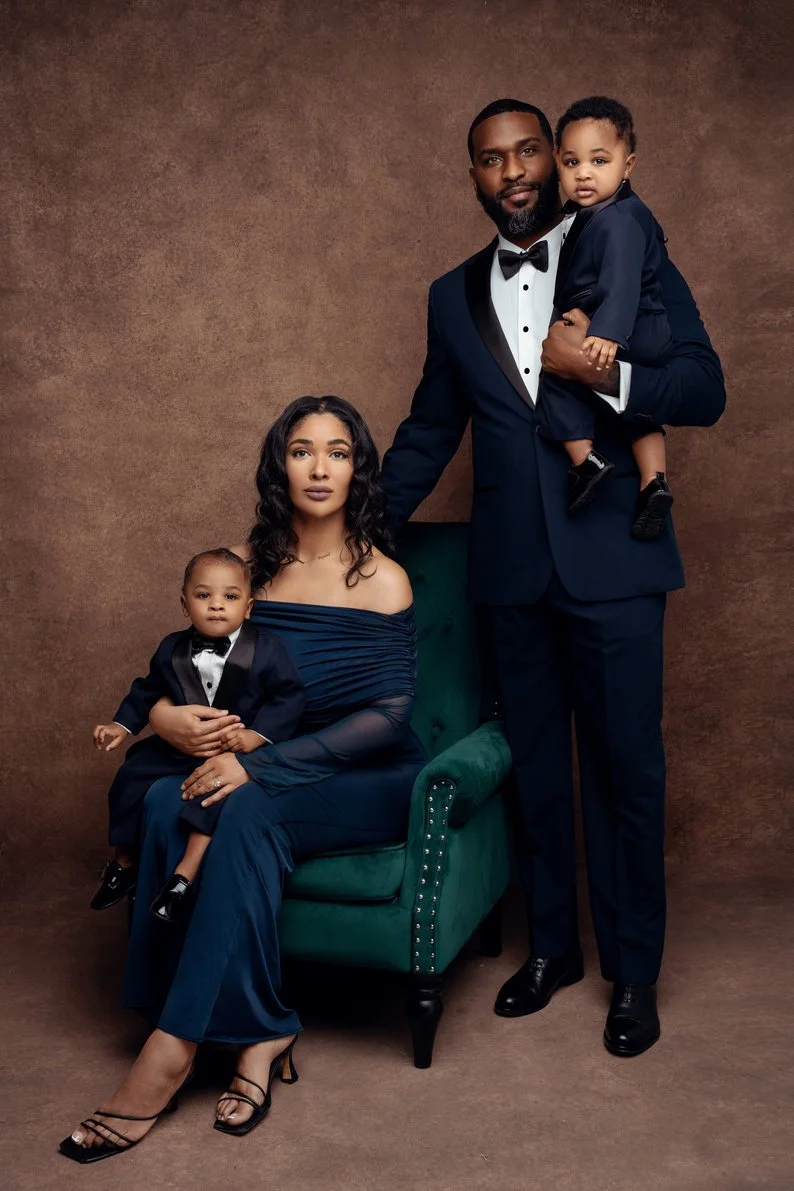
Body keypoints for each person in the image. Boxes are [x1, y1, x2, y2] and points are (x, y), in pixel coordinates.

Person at [379, 99, 725, 1058]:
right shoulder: (452, 296)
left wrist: (605, 375)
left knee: (627, 773)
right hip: (512, 572)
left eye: (529, 149)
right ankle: (554, 951)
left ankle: (633, 970)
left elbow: (704, 384)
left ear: (556, 157)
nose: (516, 170)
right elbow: (425, 435)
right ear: (477, 180)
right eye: (492, 160)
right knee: (535, 771)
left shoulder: (621, 241)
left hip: (616, 563)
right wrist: (346, 526)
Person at [60, 396, 426, 1162]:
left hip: (361, 772)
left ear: (358, 466)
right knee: (168, 795)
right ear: (279, 465)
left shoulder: (383, 577)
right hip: (252, 765)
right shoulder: (242, 567)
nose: (320, 467)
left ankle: (172, 1046)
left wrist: (255, 762)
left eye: (337, 450)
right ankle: (262, 1031)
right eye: (301, 450)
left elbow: (387, 719)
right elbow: (176, 671)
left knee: (243, 805)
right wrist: (162, 718)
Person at [89, 548, 306, 924]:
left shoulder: (267, 649)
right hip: (180, 746)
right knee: (131, 772)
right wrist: (119, 726)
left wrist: (257, 735)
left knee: (212, 799)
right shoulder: (171, 648)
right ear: (184, 603)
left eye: (230, 597)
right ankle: (123, 862)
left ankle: (181, 880)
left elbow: (290, 696)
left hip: (234, 751)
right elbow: (146, 690)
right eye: (204, 595)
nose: (217, 606)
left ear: (249, 607)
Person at [538, 96, 675, 540]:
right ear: (557, 163)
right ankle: (654, 481)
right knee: (635, 409)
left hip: (629, 325)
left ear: (628, 164)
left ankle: (586, 461)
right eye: (572, 162)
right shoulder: (600, 213)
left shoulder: (618, 220)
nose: (583, 173)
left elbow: (622, 277)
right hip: (648, 330)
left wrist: (607, 332)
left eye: (599, 160)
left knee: (557, 373)